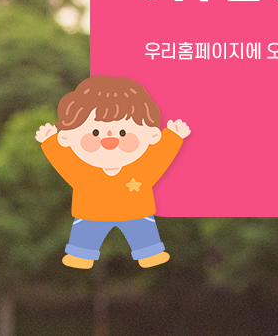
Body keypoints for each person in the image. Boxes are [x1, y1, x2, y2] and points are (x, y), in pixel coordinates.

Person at [34, 76, 191, 269]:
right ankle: (81, 253)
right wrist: (50, 142)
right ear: (68, 137)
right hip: (93, 212)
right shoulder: (83, 171)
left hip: (133, 211)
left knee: (141, 231)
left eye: (123, 132)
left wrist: (172, 138)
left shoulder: (141, 168)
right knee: (86, 234)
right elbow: (64, 162)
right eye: (95, 133)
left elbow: (159, 158)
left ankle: (148, 251)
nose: (110, 140)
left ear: (151, 135)